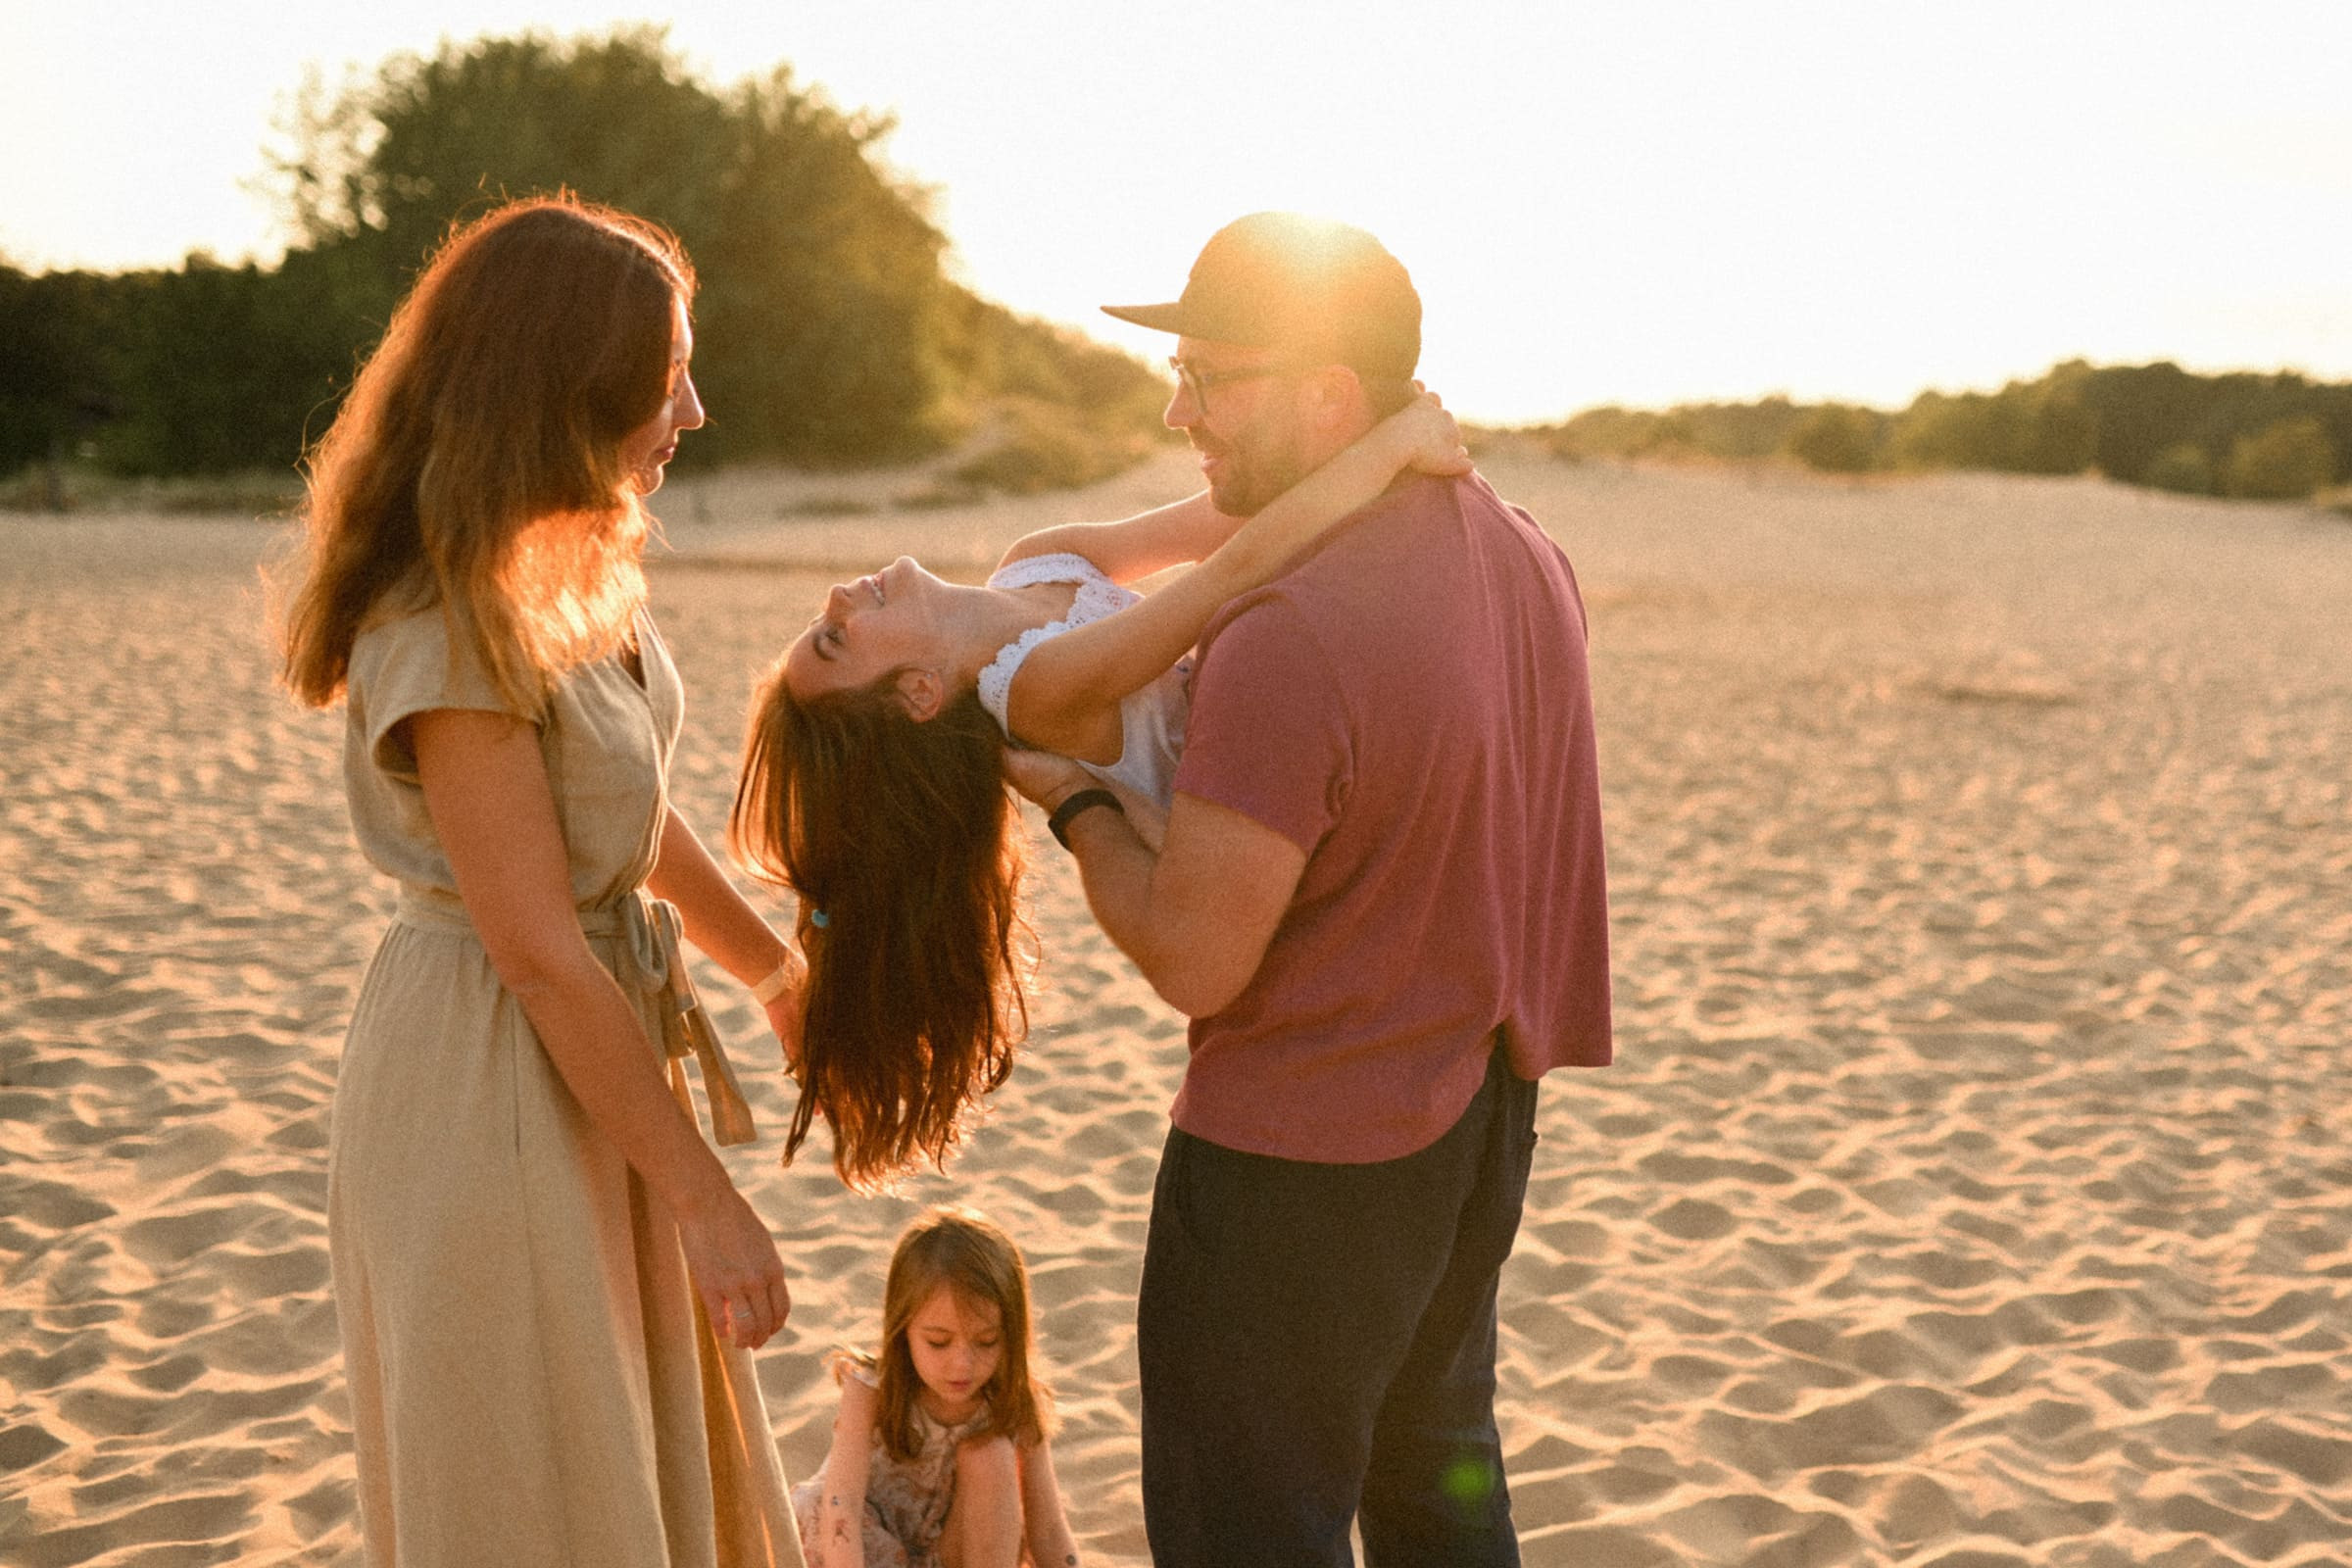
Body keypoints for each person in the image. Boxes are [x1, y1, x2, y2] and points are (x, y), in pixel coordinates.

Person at [1003, 211, 1614, 1565]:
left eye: (1214, 377)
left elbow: (1195, 958)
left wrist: (1080, 805)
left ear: (1332, 394)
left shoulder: (1288, 635)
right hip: (1479, 1121)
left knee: (1247, 1535)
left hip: (1300, 1157)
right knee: (1439, 1495)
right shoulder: (1526, 555)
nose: (1179, 410)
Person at [276, 196, 809, 1567]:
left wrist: (773, 969)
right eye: (665, 375)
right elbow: (536, 947)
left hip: (596, 1054)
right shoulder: (447, 615)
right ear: (565, 388)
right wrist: (710, 1199)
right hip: (492, 1081)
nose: (691, 408)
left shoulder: (568, 560)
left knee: (628, 1472)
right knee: (538, 1493)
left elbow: (620, 817)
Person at [729, 396, 1468, 1192]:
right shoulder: (1037, 690)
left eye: (821, 621)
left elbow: (1225, 518)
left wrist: (1340, 424)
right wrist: (1390, 445)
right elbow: (1234, 570)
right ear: (917, 693)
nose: (838, 597)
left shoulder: (1037, 559)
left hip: (1318, 772)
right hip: (1281, 861)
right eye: (835, 641)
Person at [794, 1208, 1078, 1568]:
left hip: (944, 1554)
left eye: (987, 1341)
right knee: (823, 1509)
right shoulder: (870, 1391)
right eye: (939, 1342)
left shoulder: (1014, 1401)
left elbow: (1049, 1530)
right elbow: (842, 1505)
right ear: (904, 1329)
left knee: (993, 1454)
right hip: (855, 1551)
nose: (963, 1365)